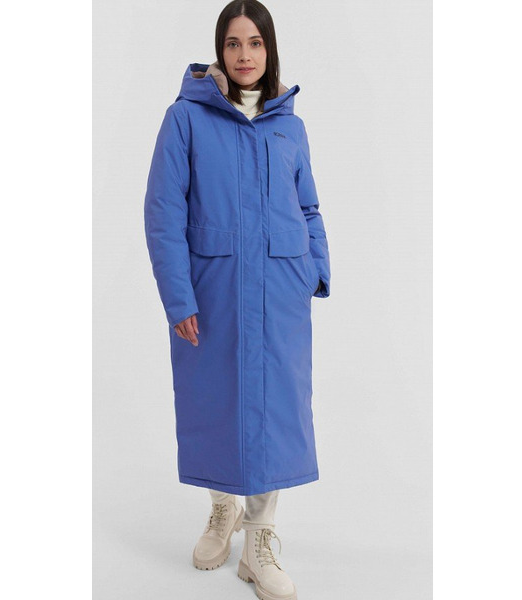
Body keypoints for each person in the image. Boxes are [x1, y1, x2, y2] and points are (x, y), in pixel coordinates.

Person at [144, 1, 331, 598]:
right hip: (214, 290)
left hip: (280, 290)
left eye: (255, 43)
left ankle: (261, 538)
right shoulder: (185, 119)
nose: (244, 55)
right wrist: (179, 299)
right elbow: (163, 213)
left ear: (269, 50)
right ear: (219, 51)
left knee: (276, 409)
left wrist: (316, 270)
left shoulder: (289, 126)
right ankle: (222, 509)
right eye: (233, 43)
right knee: (216, 400)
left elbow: (308, 207)